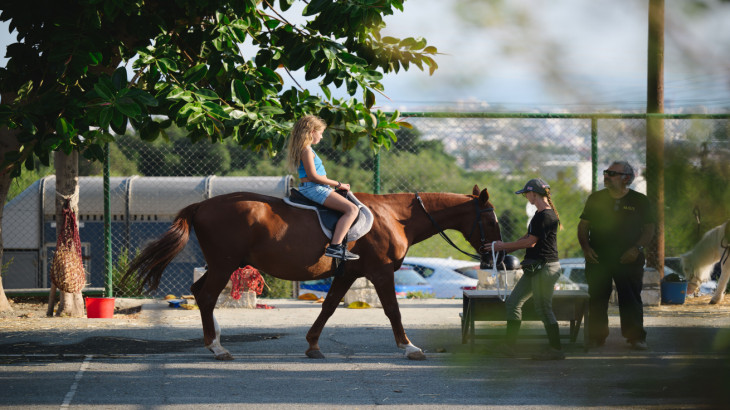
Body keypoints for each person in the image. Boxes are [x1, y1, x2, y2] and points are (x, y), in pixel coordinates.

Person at [578, 161, 655, 350]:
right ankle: (596, 338)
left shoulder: (640, 201)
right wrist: (586, 248)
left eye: (612, 173)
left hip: (628, 259)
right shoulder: (595, 199)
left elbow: (649, 229)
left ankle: (635, 337)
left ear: (626, 178)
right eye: (606, 172)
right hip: (599, 258)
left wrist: (636, 249)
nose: (607, 176)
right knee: (597, 298)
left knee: (630, 298)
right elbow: (583, 226)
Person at [484, 178, 564, 360]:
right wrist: (505, 248)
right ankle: (509, 346)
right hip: (535, 267)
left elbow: (530, 242)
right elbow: (528, 236)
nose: (525, 197)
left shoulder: (545, 215)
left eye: (526, 193)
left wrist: (501, 247)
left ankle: (556, 349)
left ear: (533, 193)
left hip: (545, 268)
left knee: (543, 308)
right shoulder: (539, 214)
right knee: (513, 302)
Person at [286, 115, 360, 261]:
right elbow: (313, 176)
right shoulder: (306, 150)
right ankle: (335, 247)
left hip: (317, 187)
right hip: (314, 188)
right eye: (320, 133)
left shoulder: (306, 149)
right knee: (352, 210)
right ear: (312, 131)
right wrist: (339, 184)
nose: (321, 136)